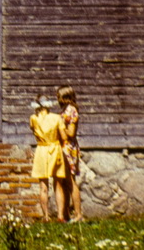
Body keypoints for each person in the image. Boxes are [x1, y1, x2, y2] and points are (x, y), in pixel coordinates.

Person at [29, 94, 67, 222]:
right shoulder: (57, 118)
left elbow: (33, 131)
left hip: (41, 150)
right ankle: (60, 215)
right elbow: (64, 136)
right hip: (55, 148)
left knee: (43, 186)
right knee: (58, 184)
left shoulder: (33, 118)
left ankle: (46, 216)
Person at [57, 84, 83, 222]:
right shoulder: (65, 110)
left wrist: (60, 128)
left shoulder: (71, 110)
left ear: (65, 97)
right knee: (65, 181)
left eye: (59, 96)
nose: (58, 99)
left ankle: (78, 214)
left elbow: (71, 132)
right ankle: (66, 214)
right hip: (63, 146)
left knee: (71, 181)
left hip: (69, 147)